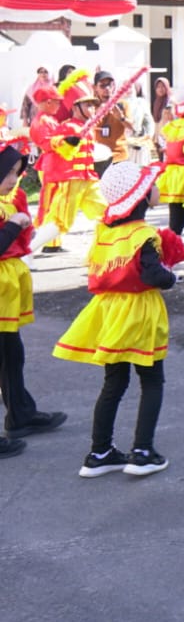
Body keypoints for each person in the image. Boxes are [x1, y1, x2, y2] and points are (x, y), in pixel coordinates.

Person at [54, 161, 184, 478]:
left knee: (114, 382)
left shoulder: (105, 232)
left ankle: (99, 452)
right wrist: (171, 278)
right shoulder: (144, 234)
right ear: (141, 195)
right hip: (139, 313)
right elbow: (152, 274)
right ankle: (142, 451)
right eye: (152, 184)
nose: (157, 187)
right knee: (152, 380)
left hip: (110, 313)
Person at [0, 145, 67, 458]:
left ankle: (21, 414)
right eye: (8, 173)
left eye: (16, 173)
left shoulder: (8, 200)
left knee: (12, 354)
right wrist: (14, 225)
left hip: (7, 287)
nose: (13, 180)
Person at [29, 71, 104, 253]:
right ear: (76, 107)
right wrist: (65, 141)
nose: (92, 109)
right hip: (68, 178)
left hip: (87, 178)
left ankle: (111, 246)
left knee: (105, 212)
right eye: (88, 105)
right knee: (59, 219)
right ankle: (29, 249)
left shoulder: (86, 127)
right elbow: (52, 142)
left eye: (93, 106)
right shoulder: (66, 125)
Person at [89, 71, 131, 176]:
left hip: (119, 157)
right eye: (102, 86)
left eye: (109, 85)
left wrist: (121, 118)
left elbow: (133, 127)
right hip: (99, 158)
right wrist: (96, 114)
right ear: (95, 88)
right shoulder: (90, 106)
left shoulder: (121, 104)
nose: (107, 89)